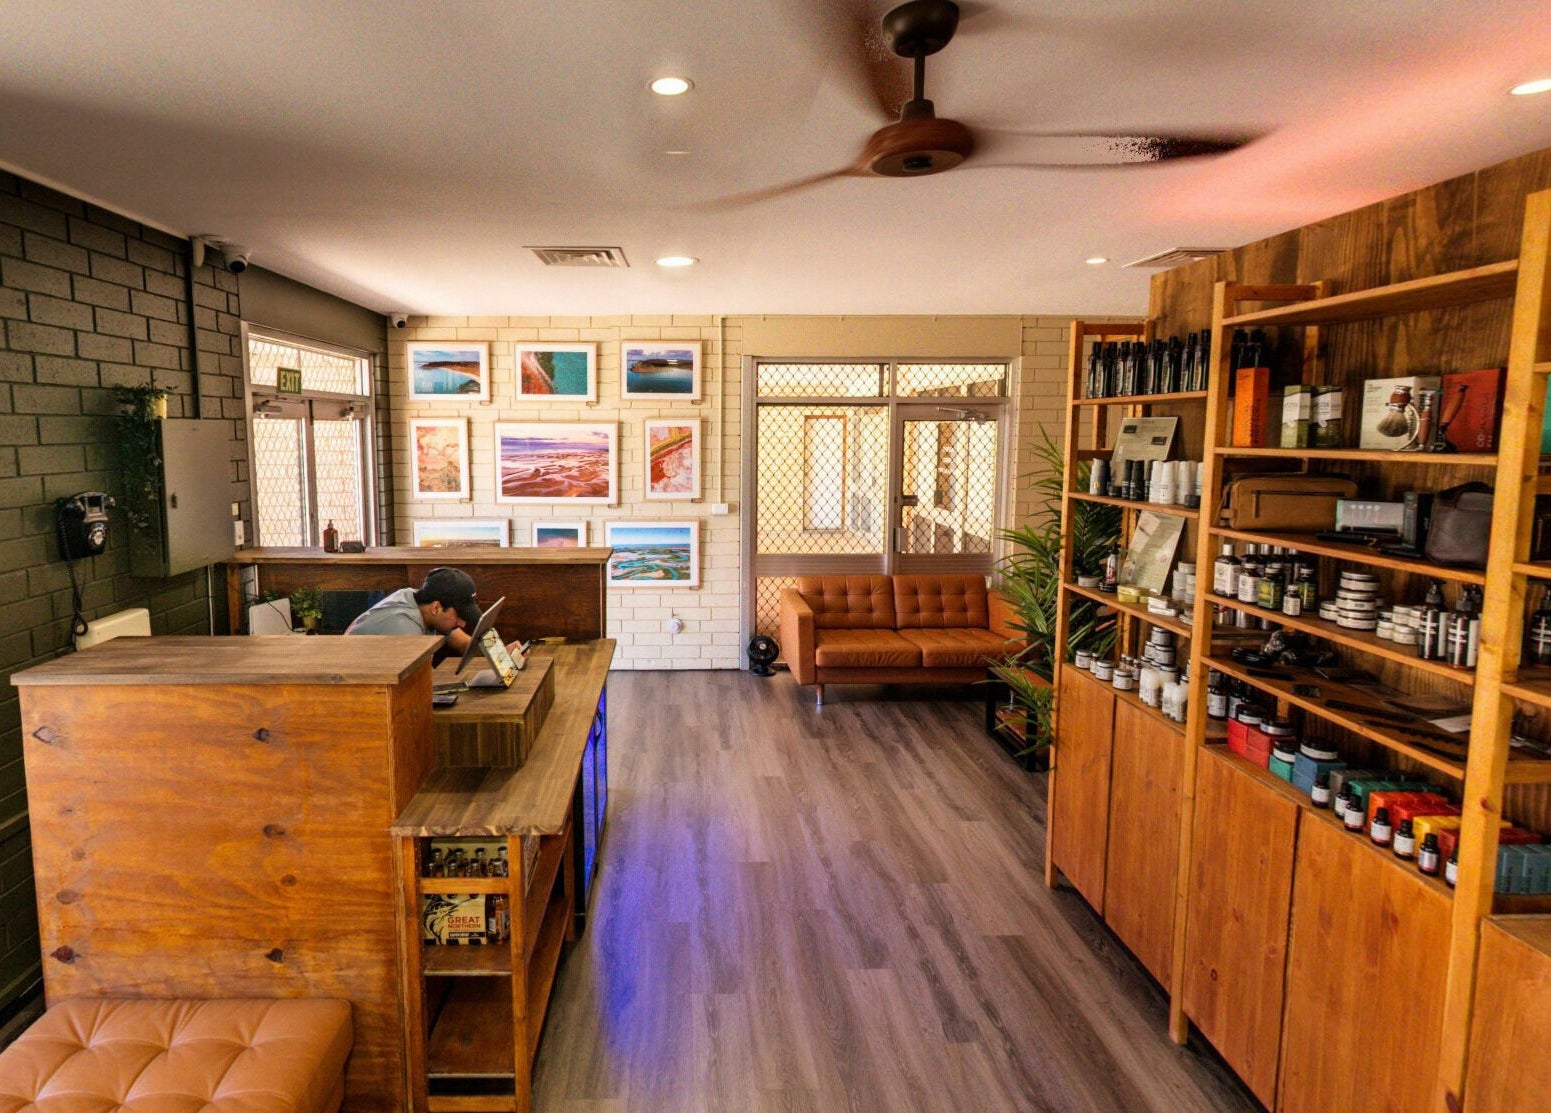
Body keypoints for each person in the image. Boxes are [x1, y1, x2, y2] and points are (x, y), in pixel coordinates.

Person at [344, 566, 482, 657]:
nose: (463, 624)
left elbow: (463, 643)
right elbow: (416, 686)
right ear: (436, 608)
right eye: (459, 615)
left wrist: (500, 654)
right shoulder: (406, 630)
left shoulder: (419, 599)